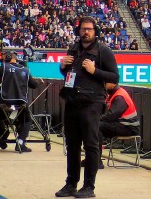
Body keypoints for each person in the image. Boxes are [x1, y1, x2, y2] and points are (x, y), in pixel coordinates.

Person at [56, 16, 119, 199]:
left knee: (91, 146)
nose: (86, 32)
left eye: (90, 29)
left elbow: (115, 77)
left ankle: (89, 186)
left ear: (95, 31)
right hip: (72, 101)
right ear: (79, 30)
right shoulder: (73, 49)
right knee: (72, 145)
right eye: (83, 29)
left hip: (92, 103)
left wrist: (95, 71)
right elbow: (68, 74)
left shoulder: (103, 51)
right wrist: (62, 67)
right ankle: (71, 184)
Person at [0, 49, 42, 153]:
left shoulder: (3, 68)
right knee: (27, 120)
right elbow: (34, 85)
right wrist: (39, 81)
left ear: (8, 58)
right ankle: (21, 143)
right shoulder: (25, 70)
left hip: (3, 104)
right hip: (20, 105)